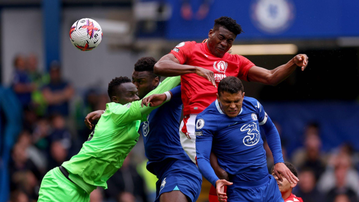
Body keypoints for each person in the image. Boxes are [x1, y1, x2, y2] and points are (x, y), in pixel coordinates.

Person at [153, 16, 309, 174]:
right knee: (222, 173)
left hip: (227, 124)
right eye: (221, 37)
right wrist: (194, 69)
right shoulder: (190, 49)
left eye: (230, 40)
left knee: (244, 173)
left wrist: (292, 63)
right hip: (197, 123)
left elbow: (270, 76)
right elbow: (160, 66)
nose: (224, 43)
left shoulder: (235, 61)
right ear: (210, 33)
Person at [37, 75, 180, 201]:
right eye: (130, 95)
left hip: (81, 192)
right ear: (115, 100)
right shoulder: (117, 111)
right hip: (61, 185)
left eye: (136, 94)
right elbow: (148, 102)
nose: (136, 98)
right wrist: (181, 74)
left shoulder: (124, 118)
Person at [86, 57, 202, 202]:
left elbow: (188, 83)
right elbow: (126, 114)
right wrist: (104, 113)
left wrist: (167, 95)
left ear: (155, 81)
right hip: (164, 174)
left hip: (179, 169)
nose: (135, 85)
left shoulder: (164, 98)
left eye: (140, 81)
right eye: (133, 80)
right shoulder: (140, 106)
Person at [195, 77, 298, 202]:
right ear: (218, 97)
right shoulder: (206, 120)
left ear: (243, 96)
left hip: (268, 188)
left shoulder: (253, 105)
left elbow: (270, 129)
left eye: (237, 101)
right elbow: (202, 158)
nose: (232, 106)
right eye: (227, 101)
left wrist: (279, 161)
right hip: (241, 193)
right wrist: (215, 180)